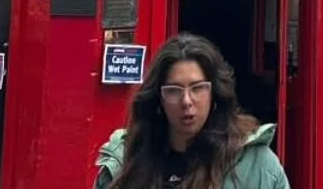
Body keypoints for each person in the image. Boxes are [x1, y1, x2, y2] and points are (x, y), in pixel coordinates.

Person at [97, 33, 289, 189]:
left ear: (214, 93)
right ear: (158, 98)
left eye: (197, 88)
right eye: (174, 90)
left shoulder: (257, 165)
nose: (186, 101)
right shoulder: (125, 160)